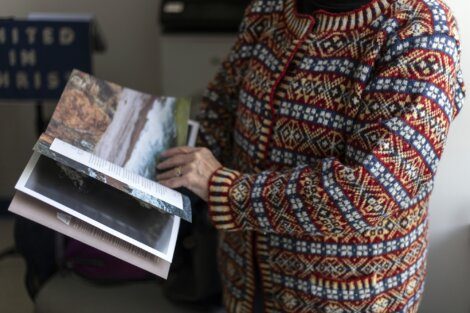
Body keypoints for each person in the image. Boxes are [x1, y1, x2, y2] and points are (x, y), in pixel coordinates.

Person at [157, 0, 465, 311]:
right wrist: (158, 161)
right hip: (244, 279)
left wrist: (225, 189)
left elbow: (371, 191)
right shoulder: (270, 9)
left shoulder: (420, 31)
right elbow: (221, 107)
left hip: (347, 299)